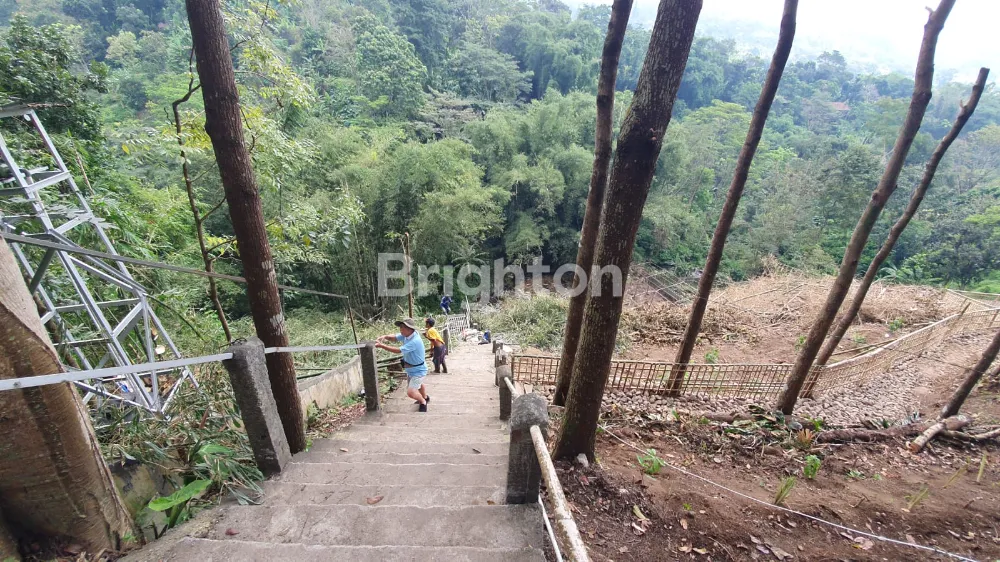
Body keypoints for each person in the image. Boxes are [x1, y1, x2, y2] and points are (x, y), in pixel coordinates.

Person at [376, 318, 429, 412]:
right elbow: (395, 337)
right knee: (418, 384)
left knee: (411, 392)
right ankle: (425, 397)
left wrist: (382, 346)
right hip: (412, 369)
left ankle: (423, 401)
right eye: (400, 327)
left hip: (418, 370)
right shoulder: (407, 335)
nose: (400, 330)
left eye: (402, 328)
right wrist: (385, 336)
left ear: (410, 329)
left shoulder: (415, 341)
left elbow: (398, 350)